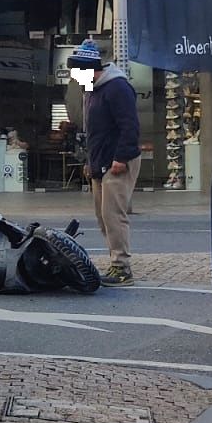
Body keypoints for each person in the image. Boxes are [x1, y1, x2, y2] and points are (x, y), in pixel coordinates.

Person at [69, 40, 140, 287]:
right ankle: (115, 261)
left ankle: (122, 267)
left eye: (77, 71)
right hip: (101, 160)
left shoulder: (116, 88)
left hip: (116, 160)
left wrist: (121, 158)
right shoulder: (92, 90)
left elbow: (129, 126)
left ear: (90, 69)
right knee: (102, 216)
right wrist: (91, 162)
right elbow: (94, 132)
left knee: (113, 215)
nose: (75, 77)